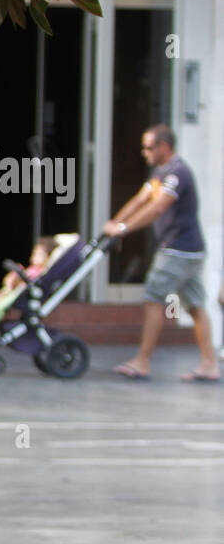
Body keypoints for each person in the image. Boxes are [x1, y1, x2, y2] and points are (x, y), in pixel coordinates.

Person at [103, 125, 218, 382]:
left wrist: (123, 228)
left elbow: (157, 207)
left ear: (164, 147)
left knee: (153, 299)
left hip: (178, 250)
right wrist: (114, 223)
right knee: (196, 306)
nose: (144, 152)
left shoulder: (177, 173)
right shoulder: (160, 173)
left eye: (148, 147)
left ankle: (142, 362)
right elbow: (141, 199)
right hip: (190, 251)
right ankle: (210, 364)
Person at [0, 235, 59, 335]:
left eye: (39, 254)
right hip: (14, 289)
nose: (34, 257)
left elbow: (29, 281)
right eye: (34, 254)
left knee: (1, 304)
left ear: (48, 257)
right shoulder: (33, 268)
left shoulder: (42, 272)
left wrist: (19, 277)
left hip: (21, 294)